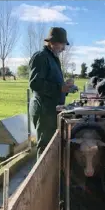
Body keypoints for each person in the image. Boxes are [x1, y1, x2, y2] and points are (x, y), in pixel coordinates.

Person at [29, 27, 74, 160]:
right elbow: (35, 84)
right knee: (45, 148)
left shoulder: (53, 58)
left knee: (51, 146)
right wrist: (60, 88)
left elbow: (53, 83)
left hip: (52, 109)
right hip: (44, 111)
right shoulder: (41, 57)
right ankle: (41, 180)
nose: (64, 49)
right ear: (52, 42)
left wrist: (66, 87)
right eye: (62, 44)